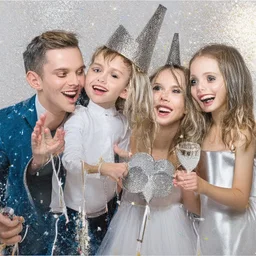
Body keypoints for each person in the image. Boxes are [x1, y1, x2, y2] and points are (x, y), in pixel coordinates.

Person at [56, 37, 155, 255]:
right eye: (97, 69)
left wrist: (128, 161)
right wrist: (103, 168)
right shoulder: (79, 117)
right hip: (74, 216)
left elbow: (129, 164)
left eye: (114, 75)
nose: (101, 79)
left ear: (125, 91)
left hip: (109, 211)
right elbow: (70, 161)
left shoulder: (124, 123)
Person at [97, 64, 199, 255]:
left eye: (176, 91)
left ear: (187, 106)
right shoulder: (130, 134)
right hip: (128, 228)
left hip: (172, 234)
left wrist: (187, 185)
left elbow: (196, 209)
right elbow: (109, 193)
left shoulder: (189, 151)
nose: (164, 96)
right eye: (157, 88)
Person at [0, 30, 85, 255]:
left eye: (79, 71)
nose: (75, 82)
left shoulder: (95, 108)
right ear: (34, 79)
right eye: (62, 73)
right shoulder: (5, 123)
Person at [175, 44, 256, 255]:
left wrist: (202, 186)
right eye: (194, 81)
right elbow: (197, 208)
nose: (200, 88)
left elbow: (240, 200)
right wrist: (187, 184)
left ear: (232, 79)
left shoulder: (242, 131)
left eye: (210, 78)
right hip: (210, 232)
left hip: (239, 234)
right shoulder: (200, 135)